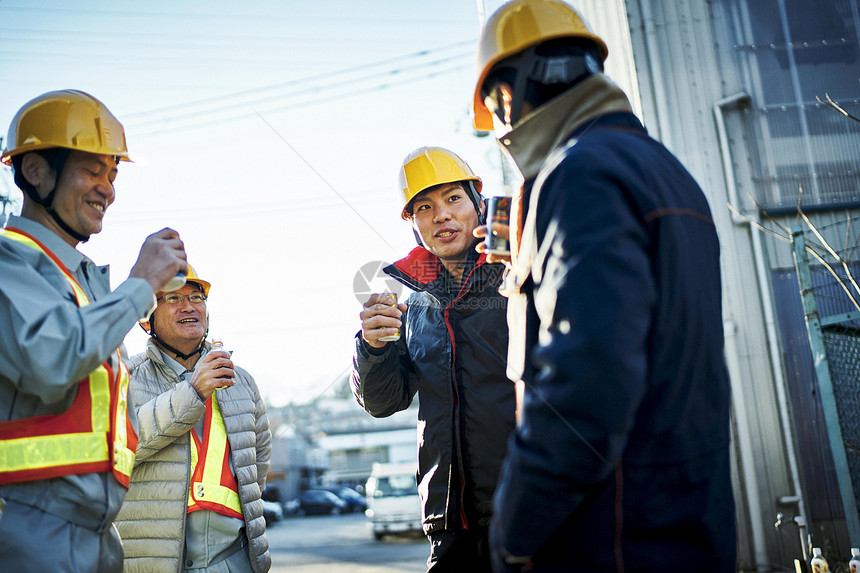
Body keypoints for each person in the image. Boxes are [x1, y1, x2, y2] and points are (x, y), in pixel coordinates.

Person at [471, 1, 737, 571]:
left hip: (612, 537)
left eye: (495, 108)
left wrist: (514, 532)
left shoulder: (578, 173)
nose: (502, 126)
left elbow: (586, 379)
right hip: (685, 522)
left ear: (510, 91)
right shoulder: (661, 168)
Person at [0, 89, 188, 572]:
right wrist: (141, 284)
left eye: (113, 173)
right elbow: (51, 358)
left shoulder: (80, 283)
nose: (108, 188)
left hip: (97, 533)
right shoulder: (8, 261)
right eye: (91, 169)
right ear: (35, 171)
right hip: (31, 528)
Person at [351, 146, 515, 572]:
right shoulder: (414, 306)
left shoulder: (518, 275)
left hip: (527, 508)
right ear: (415, 224)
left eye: (453, 199)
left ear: (478, 205)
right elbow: (384, 401)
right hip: (449, 524)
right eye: (425, 206)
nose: (441, 214)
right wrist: (372, 346)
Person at [115, 266, 272, 572]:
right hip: (154, 564)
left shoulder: (241, 381)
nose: (188, 306)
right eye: (173, 298)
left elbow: (258, 461)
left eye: (196, 296)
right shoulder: (125, 380)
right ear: (147, 319)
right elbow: (119, 447)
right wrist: (193, 391)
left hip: (233, 560)